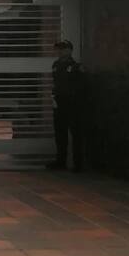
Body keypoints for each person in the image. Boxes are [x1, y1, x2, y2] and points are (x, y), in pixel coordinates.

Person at [47, 39, 84, 171]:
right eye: (58, 49)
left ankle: (78, 164)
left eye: (63, 48)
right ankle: (60, 161)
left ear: (69, 50)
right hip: (59, 102)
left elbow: (80, 86)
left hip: (72, 103)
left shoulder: (75, 67)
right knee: (60, 132)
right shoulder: (55, 65)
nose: (60, 51)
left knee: (76, 133)